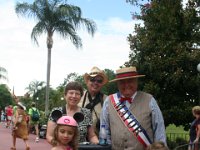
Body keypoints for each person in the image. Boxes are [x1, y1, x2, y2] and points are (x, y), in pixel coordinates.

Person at [100, 66, 167, 150]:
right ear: (117, 84)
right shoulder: (108, 101)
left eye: (130, 81)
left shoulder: (150, 100)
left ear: (136, 82)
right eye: (122, 82)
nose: (126, 85)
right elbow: (105, 132)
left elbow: (159, 131)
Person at [47, 81, 99, 145]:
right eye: (71, 93)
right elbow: (50, 136)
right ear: (65, 95)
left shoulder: (86, 113)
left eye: (77, 94)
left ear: (80, 97)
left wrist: (97, 143)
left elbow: (92, 136)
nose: (74, 96)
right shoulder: (56, 112)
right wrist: (61, 146)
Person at [79, 66, 108, 136]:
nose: (96, 83)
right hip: (79, 141)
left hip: (99, 142)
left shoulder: (107, 100)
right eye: (92, 80)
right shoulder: (78, 96)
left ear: (102, 84)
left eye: (99, 81)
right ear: (87, 82)